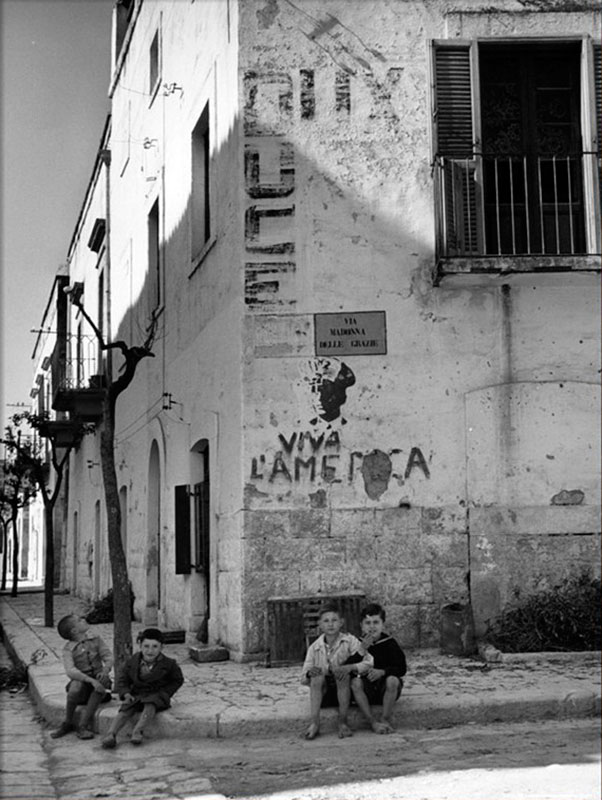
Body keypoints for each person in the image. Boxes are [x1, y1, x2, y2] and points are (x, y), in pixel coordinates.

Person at [300, 601, 372, 740]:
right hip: (324, 694)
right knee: (317, 676)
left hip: (345, 693)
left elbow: (368, 662)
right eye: (326, 621)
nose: (330, 624)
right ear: (320, 624)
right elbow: (303, 677)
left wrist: (350, 667)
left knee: (342, 674)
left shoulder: (350, 641)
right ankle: (314, 723)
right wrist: (310, 673)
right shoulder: (315, 647)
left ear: (341, 623)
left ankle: (342, 722)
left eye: (334, 620)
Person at [101, 628, 184, 748]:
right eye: (146, 646)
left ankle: (138, 731)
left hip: (156, 694)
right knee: (126, 708)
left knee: (150, 705)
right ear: (140, 645)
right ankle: (111, 734)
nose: (150, 650)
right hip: (137, 693)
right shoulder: (132, 662)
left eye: (155, 646)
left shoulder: (169, 664)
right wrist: (126, 693)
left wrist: (166, 693)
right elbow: (122, 679)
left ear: (162, 647)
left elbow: (177, 680)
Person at [50, 614, 113, 740]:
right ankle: (67, 723)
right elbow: (71, 671)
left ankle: (83, 726)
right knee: (74, 687)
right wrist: (90, 680)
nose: (84, 620)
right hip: (83, 683)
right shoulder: (68, 649)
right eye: (79, 620)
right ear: (74, 631)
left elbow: (109, 657)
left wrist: (105, 671)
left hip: (98, 678)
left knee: (100, 685)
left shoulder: (96, 639)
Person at [349, 602, 407, 734]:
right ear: (361, 626)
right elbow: (348, 666)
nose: (372, 627)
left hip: (385, 689)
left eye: (376, 622)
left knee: (393, 680)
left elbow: (402, 668)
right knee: (355, 683)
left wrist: (383, 672)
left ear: (383, 625)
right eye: (367, 623)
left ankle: (385, 718)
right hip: (365, 690)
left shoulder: (390, 643)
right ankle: (372, 721)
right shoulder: (355, 643)